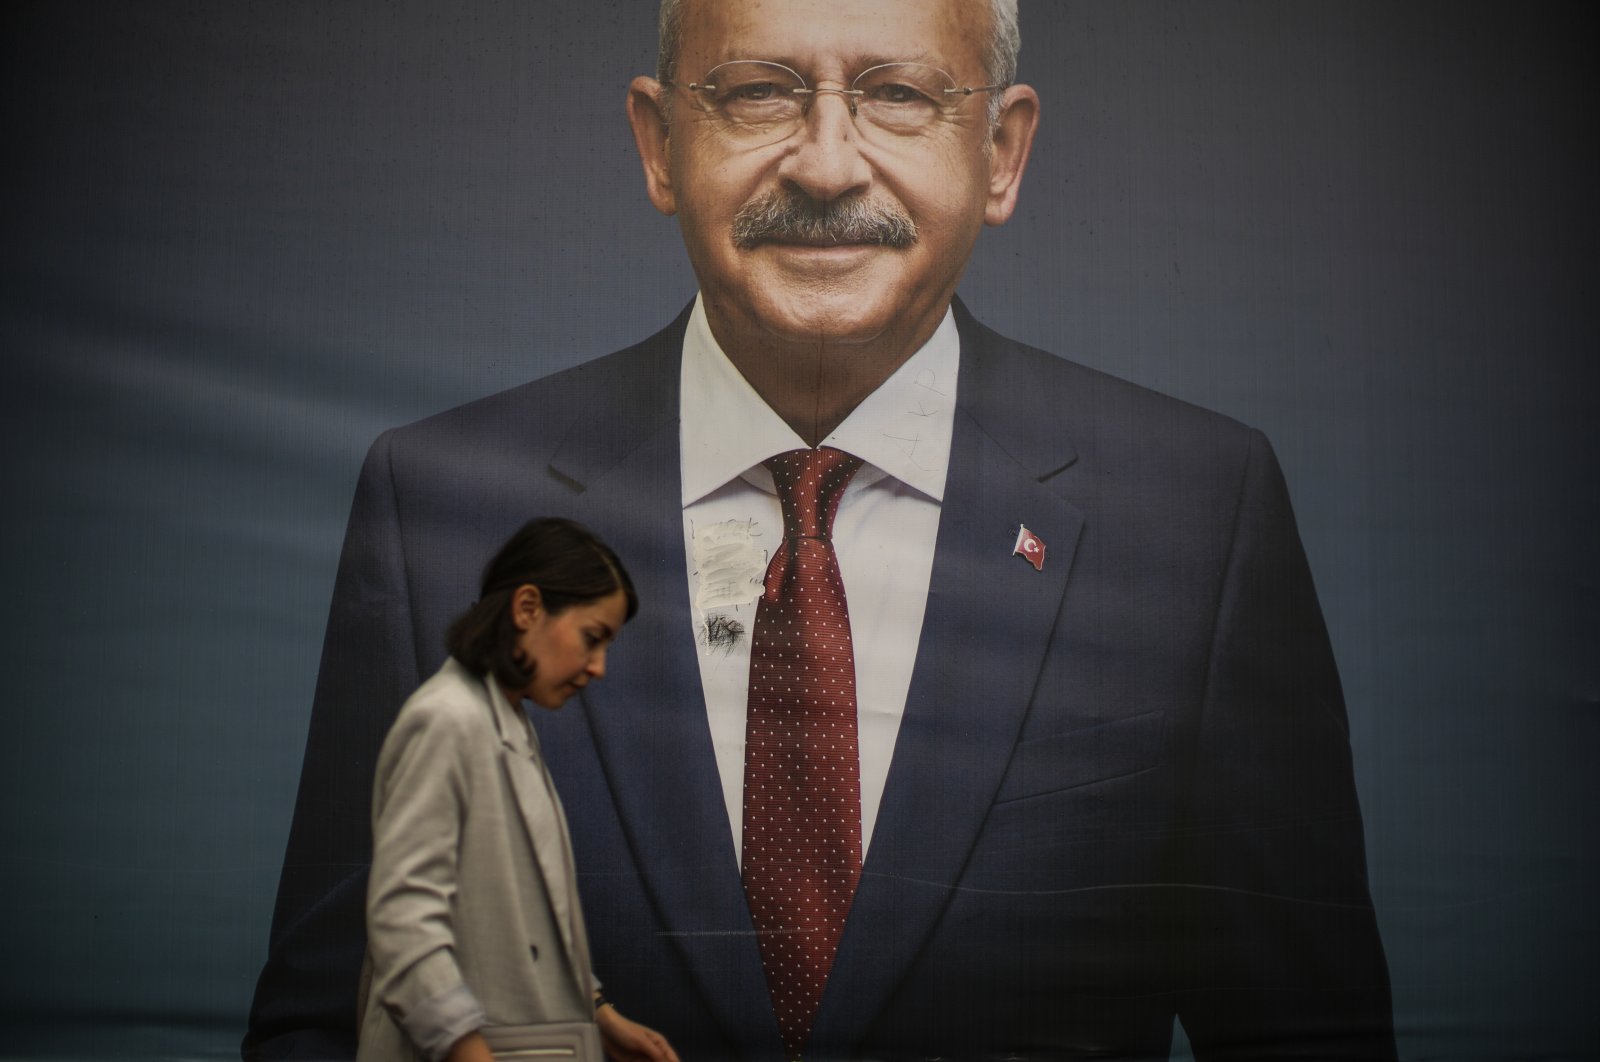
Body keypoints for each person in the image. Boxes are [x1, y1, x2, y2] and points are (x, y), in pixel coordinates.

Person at [248, 1, 1396, 1058]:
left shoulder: (1197, 518)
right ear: (658, 146)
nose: (828, 163)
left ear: (999, 153)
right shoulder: (439, 509)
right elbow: (333, 1019)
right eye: (758, 91)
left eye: (899, 94)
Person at [355, 518, 677, 1062]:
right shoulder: (448, 719)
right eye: (592, 638)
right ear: (527, 608)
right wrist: (466, 1050)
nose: (598, 668)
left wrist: (599, 1013)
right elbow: (403, 920)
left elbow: (524, 916)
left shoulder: (503, 716)